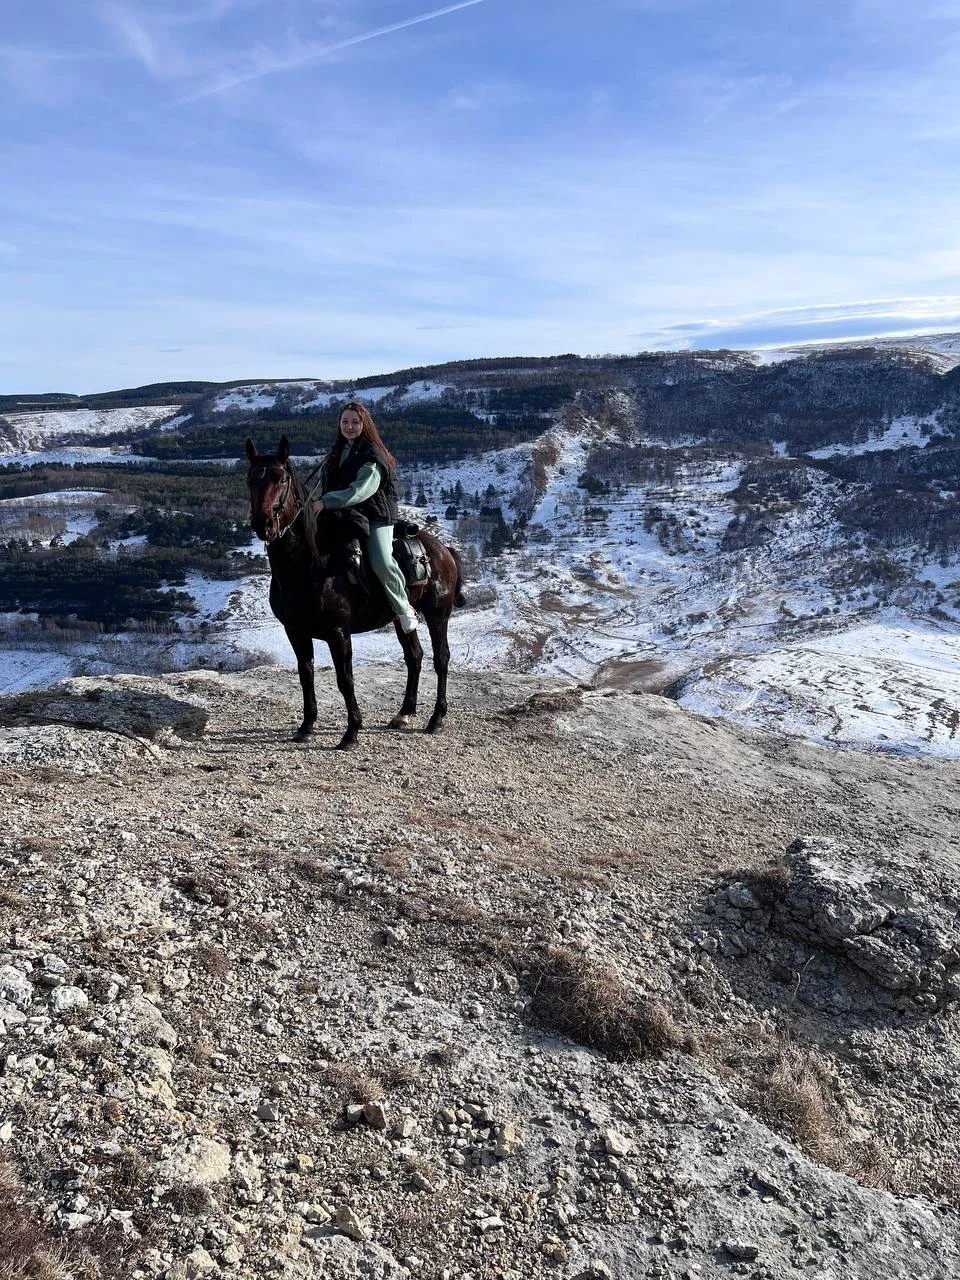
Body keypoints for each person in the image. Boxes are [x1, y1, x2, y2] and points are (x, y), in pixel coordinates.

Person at [316, 402, 420, 634]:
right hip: (345, 514)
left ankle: (404, 608)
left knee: (381, 560)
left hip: (376, 514)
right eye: (345, 422)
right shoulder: (336, 452)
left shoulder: (373, 454)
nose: (349, 427)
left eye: (355, 422)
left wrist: (326, 502)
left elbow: (361, 490)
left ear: (365, 424)